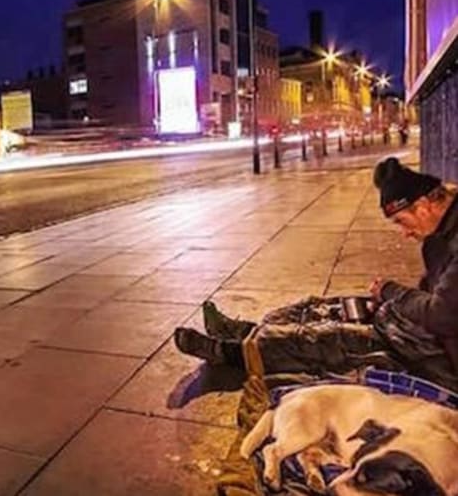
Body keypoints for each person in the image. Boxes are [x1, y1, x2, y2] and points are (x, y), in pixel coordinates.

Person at [174, 157, 458, 390]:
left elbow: (441, 315)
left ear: (423, 206)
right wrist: (390, 301)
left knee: (336, 340)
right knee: (330, 309)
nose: (405, 232)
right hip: (425, 335)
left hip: (441, 360)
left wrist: (391, 292)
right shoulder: (441, 235)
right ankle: (248, 332)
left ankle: (231, 353)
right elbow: (431, 294)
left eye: (401, 221)